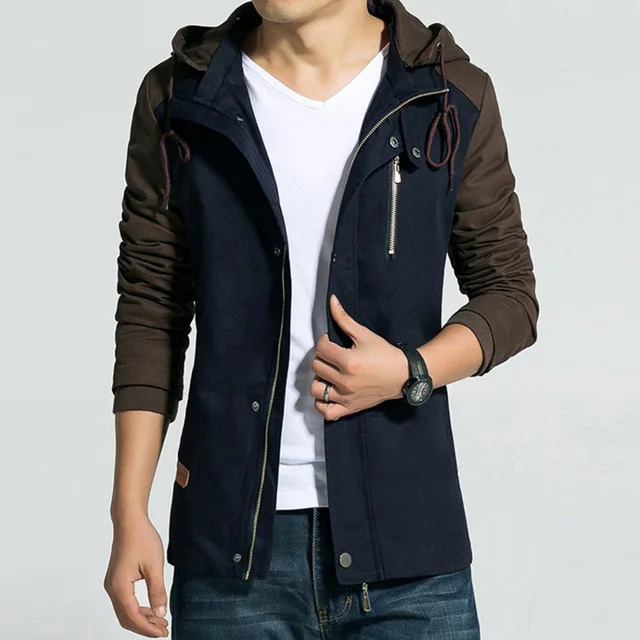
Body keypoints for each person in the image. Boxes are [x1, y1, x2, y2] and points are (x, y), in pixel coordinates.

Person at [104, 0, 538, 637]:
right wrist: (129, 510)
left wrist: (411, 370)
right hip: (231, 555)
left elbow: (510, 295)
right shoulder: (181, 96)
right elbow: (151, 306)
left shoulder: (447, 93)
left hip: (408, 549)